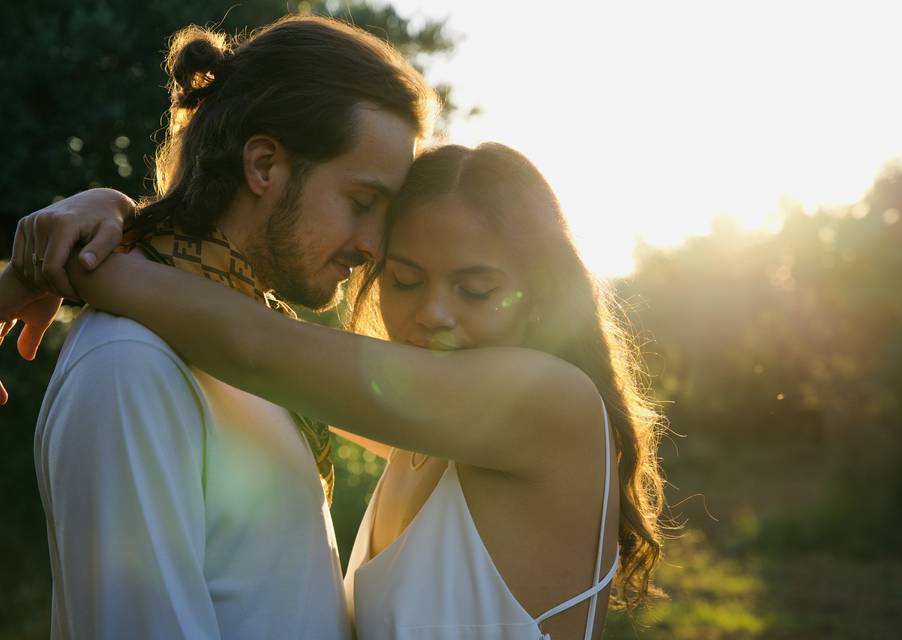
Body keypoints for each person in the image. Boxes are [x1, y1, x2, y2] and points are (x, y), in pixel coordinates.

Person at [2, 143, 665, 638]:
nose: (433, 312)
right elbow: (244, 326)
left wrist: (67, 264)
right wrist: (117, 212)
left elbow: (254, 347)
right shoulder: (432, 431)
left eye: (477, 289)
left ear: (540, 295)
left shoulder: (548, 403)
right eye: (405, 280)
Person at [0, 15, 436, 639]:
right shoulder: (132, 366)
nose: (373, 245)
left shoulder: (258, 350)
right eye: (361, 203)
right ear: (263, 166)